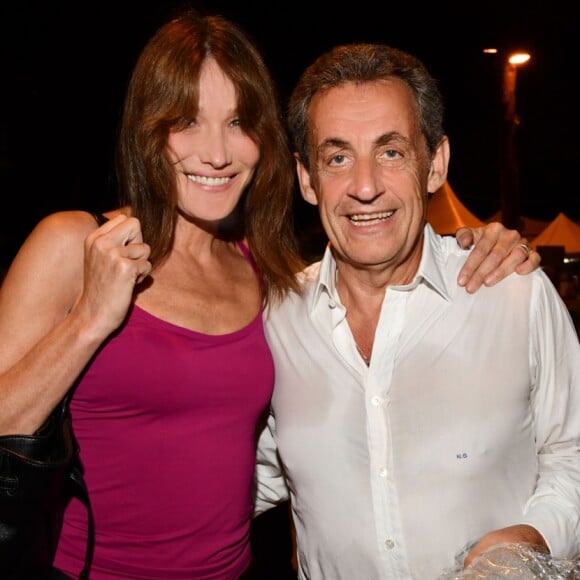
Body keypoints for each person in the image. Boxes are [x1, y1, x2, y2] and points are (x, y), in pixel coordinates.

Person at [0, 9, 538, 580]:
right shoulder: (75, 243)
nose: (217, 153)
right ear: (149, 130)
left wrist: (480, 246)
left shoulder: (266, 275)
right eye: (187, 121)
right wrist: (89, 320)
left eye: (238, 122)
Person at [256, 42, 580, 580]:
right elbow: (247, 475)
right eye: (337, 157)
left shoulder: (513, 295)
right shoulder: (276, 323)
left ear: (436, 164)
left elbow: (574, 448)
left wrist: (536, 535)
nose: (365, 187)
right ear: (307, 179)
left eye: (391, 152)